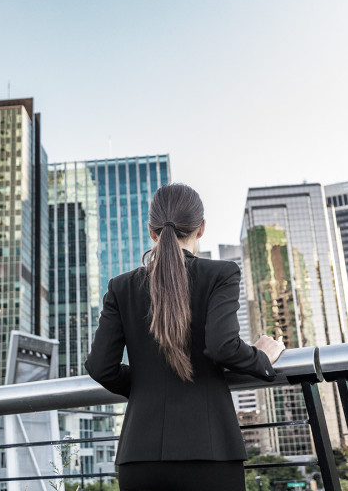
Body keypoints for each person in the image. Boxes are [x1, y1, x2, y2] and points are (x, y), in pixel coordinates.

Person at [85, 183, 286, 491]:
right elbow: (222, 346)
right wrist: (262, 356)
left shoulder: (120, 287)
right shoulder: (221, 273)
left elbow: (100, 366)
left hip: (139, 456)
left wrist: (147, 383)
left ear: (152, 231)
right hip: (210, 452)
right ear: (201, 228)